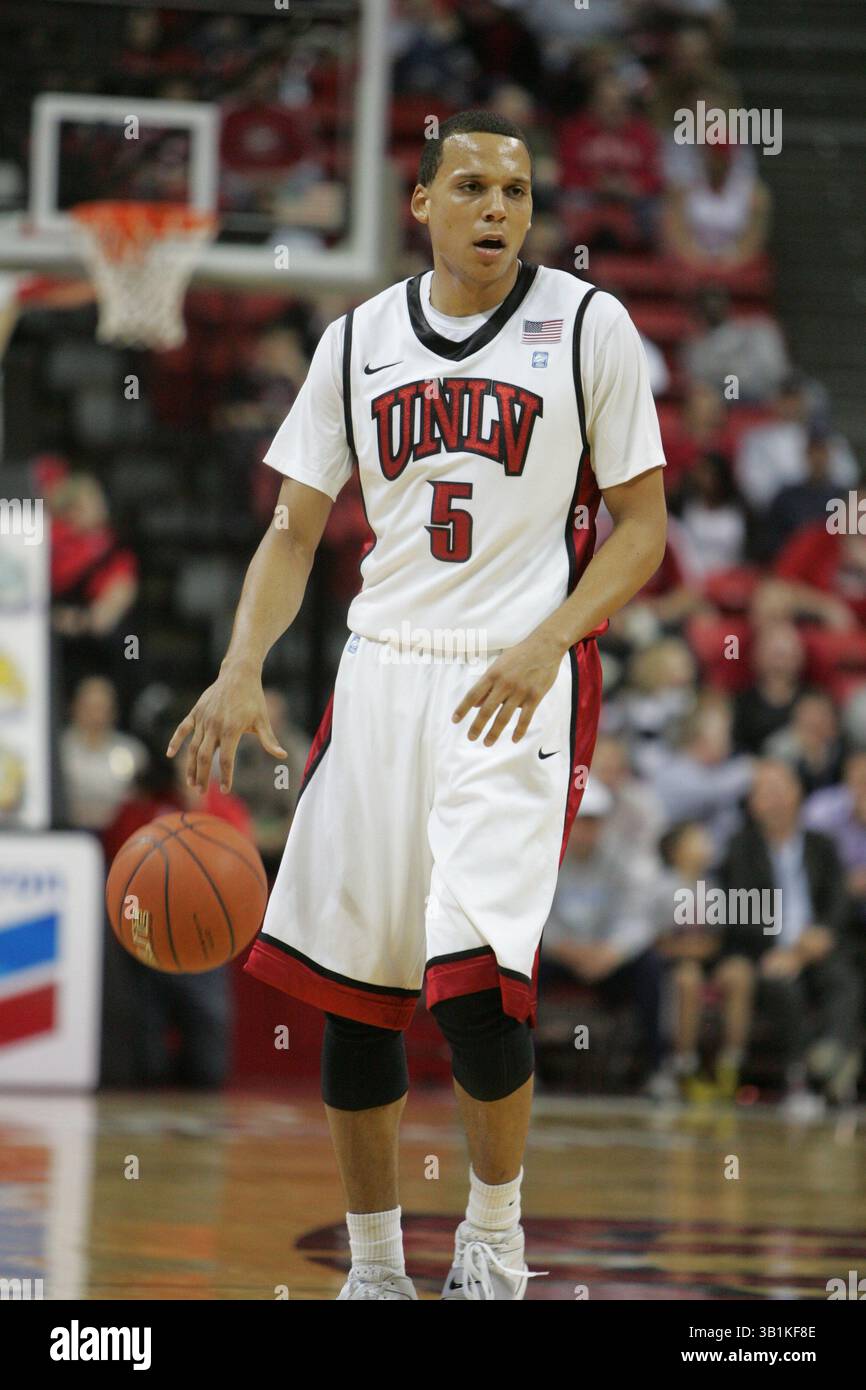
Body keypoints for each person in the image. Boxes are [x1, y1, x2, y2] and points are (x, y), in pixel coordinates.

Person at [167, 110, 668, 1300]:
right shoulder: (353, 343)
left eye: (517, 189)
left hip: (516, 672)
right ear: (422, 204)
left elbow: (641, 529)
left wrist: (551, 638)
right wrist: (241, 664)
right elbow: (293, 528)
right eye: (472, 186)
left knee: (477, 979)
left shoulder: (587, 324)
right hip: (382, 669)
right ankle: (379, 1271)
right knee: (360, 992)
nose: (497, 207)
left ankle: (493, 1244)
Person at [715, 759, 860, 1111]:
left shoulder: (820, 844)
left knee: (844, 979)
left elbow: (838, 899)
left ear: (798, 794)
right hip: (767, 951)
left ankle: (833, 1054)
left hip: (815, 948)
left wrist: (822, 933)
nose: (777, 799)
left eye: (783, 789)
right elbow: (735, 911)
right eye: (767, 792)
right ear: (753, 803)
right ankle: (802, 1078)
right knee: (782, 987)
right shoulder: (739, 847)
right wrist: (779, 949)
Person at [540, 776, 672, 1099]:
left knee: (651, 968)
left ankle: (655, 1067)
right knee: (524, 966)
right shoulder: (546, 858)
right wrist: (569, 951)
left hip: (609, 960)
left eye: (594, 823)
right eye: (581, 822)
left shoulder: (625, 861)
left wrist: (611, 953)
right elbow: (535, 917)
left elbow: (638, 918)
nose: (587, 832)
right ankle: (529, 1067)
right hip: (563, 956)